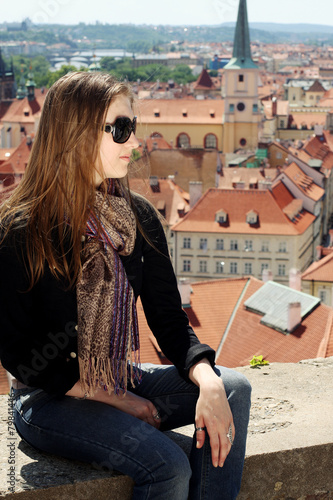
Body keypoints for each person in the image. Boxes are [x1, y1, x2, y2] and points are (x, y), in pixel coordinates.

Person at [0, 71, 251, 500]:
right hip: (46, 397)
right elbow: (19, 353)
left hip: (117, 375)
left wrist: (207, 381)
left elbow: (169, 319)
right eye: (120, 129)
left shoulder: (135, 216)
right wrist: (110, 398)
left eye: (132, 128)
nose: (134, 144)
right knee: (167, 467)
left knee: (233, 389)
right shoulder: (22, 229)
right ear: (75, 133)